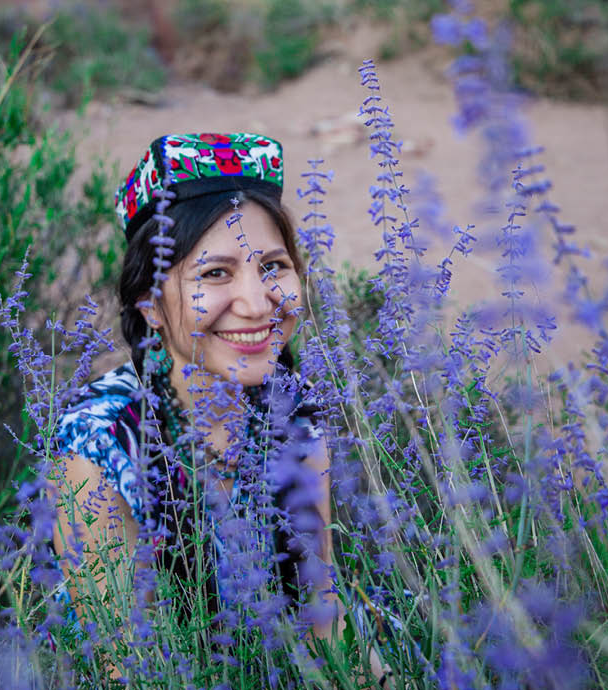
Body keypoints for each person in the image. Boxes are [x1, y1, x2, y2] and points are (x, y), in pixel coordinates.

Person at [49, 132, 387, 681]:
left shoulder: (292, 412)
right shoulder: (102, 442)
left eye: (273, 266)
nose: (257, 304)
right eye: (215, 273)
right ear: (151, 304)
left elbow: (324, 616)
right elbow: (130, 669)